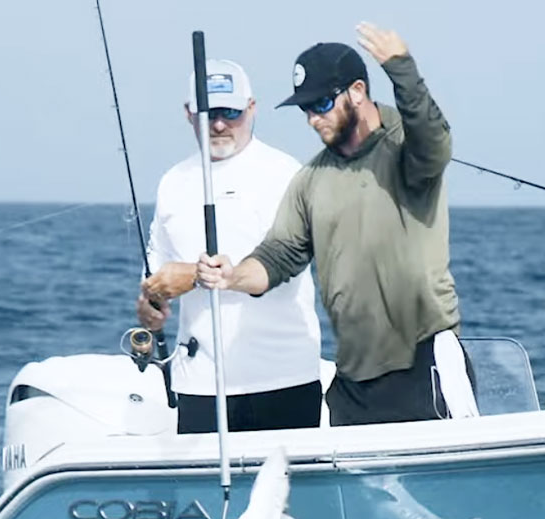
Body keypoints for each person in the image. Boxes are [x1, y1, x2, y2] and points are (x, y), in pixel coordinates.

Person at [195, 24, 477, 427]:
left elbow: (434, 140)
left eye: (323, 103)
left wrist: (401, 68)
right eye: (306, 109)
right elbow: (278, 255)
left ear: (357, 91)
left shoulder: (406, 150)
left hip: (425, 366)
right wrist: (233, 275)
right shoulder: (310, 180)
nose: (313, 119)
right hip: (352, 385)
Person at [136, 59, 323, 435]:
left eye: (231, 112)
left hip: (284, 379)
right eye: (208, 113)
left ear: (251, 109)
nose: (219, 124)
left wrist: (202, 274)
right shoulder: (173, 183)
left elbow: (287, 266)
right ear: (189, 114)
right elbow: (156, 278)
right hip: (200, 384)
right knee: (203, 495)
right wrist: (150, 308)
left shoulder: (287, 174)